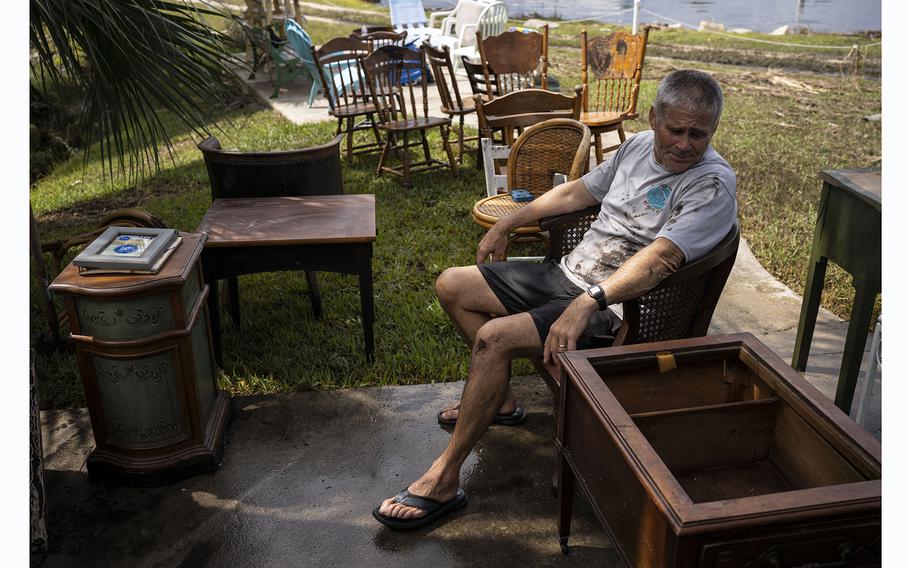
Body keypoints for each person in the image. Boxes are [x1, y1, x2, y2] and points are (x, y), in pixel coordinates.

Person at [372, 69, 738, 530]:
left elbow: (660, 261)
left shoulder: (711, 185)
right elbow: (575, 192)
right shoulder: (638, 147)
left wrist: (590, 302)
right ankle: (500, 400)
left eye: (698, 134)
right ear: (653, 118)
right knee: (452, 285)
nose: (685, 143)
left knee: (493, 338)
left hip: (618, 309)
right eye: (676, 129)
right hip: (567, 274)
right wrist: (508, 222)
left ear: (713, 130)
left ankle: (443, 478)